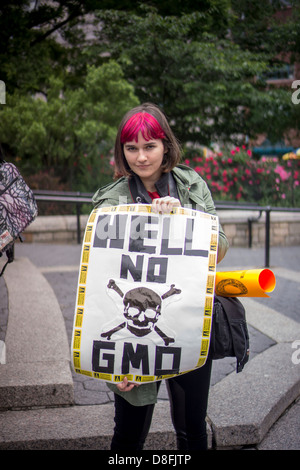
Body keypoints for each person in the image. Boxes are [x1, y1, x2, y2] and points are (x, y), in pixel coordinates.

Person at [92, 102, 229, 451]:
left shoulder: (191, 185)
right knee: (127, 436)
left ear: (165, 145)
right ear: (122, 151)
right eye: (131, 148)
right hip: (130, 335)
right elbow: (98, 275)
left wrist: (183, 221)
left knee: (192, 429)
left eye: (149, 146)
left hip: (188, 322)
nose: (141, 157)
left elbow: (221, 245)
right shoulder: (110, 201)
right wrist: (114, 357)